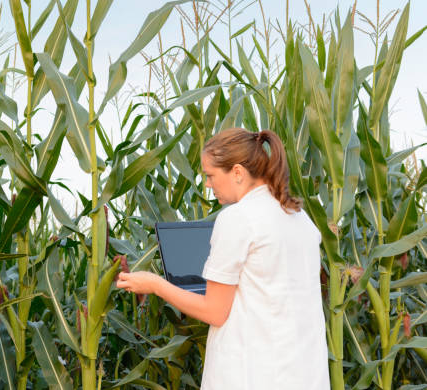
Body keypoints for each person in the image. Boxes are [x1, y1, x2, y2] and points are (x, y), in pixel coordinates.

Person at [116, 128, 330, 390]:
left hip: (253, 375)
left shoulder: (238, 218)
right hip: (305, 375)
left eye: (210, 175)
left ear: (238, 172)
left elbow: (215, 311)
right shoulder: (300, 219)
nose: (207, 184)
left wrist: (156, 285)